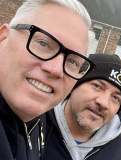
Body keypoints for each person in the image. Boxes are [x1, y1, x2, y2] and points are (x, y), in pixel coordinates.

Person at [0, 0, 94, 159]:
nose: (55, 70)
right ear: (3, 37)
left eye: (72, 61)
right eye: (43, 43)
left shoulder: (40, 119)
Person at [45, 54, 121, 160]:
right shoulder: (34, 124)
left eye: (115, 98)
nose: (103, 103)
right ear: (74, 84)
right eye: (97, 86)